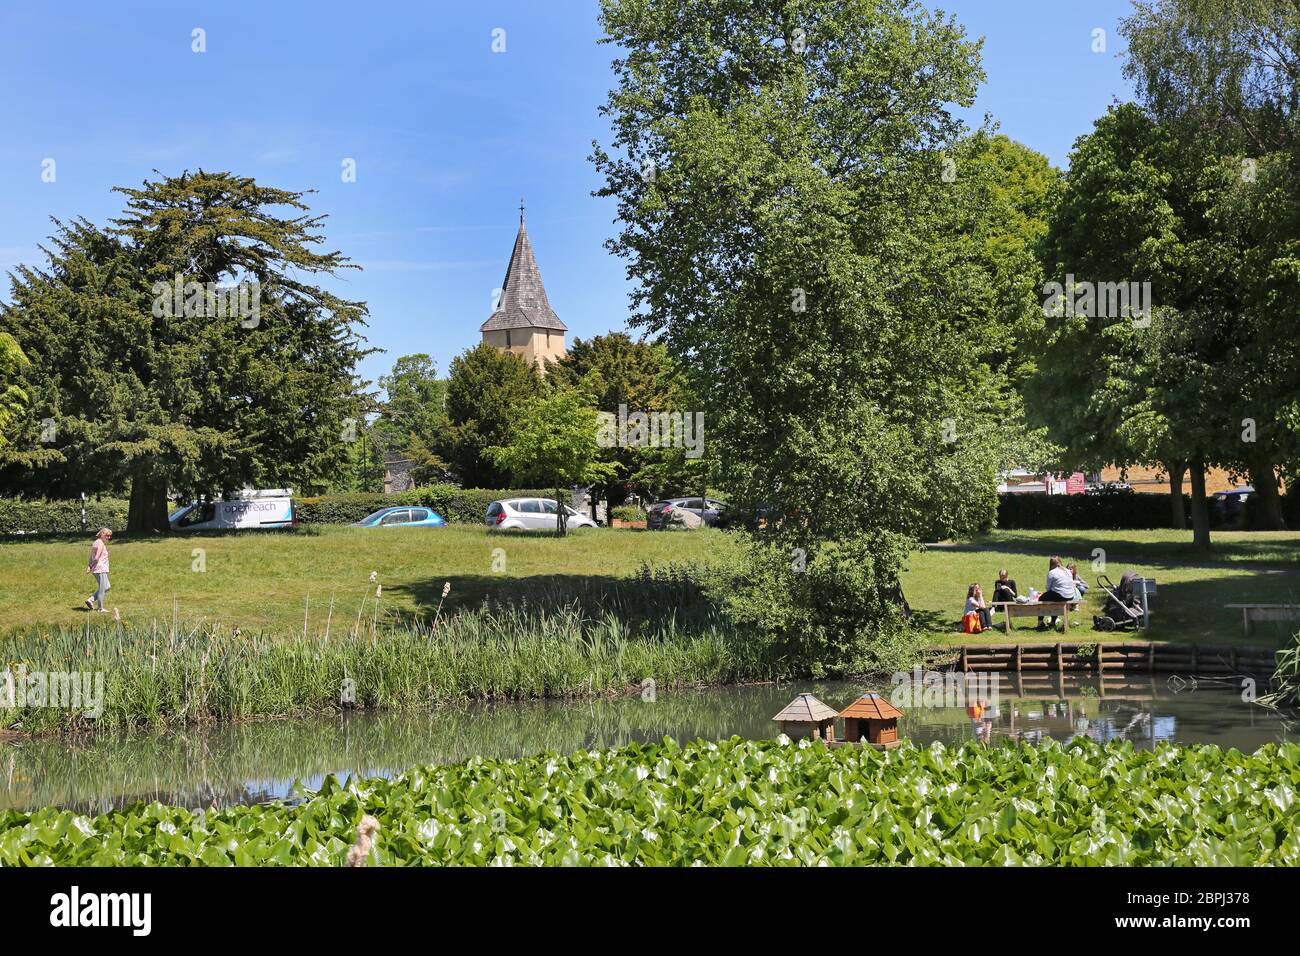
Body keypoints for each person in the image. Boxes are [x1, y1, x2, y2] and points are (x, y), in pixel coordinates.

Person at [1036, 556, 1075, 630]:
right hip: (1070, 595)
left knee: (1041, 598)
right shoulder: (1067, 571)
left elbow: (1048, 588)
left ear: (1051, 564)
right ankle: (1052, 622)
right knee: (1054, 599)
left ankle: (1040, 622)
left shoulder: (1052, 572)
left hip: (1061, 595)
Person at [85, 527, 112, 612]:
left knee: (107, 586)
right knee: (102, 588)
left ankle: (91, 600)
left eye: (109, 536)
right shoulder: (100, 543)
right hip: (100, 568)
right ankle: (100, 608)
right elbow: (96, 557)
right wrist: (91, 566)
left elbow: (91, 556)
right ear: (102, 534)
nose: (109, 537)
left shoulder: (95, 542)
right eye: (107, 536)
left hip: (97, 569)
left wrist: (89, 566)